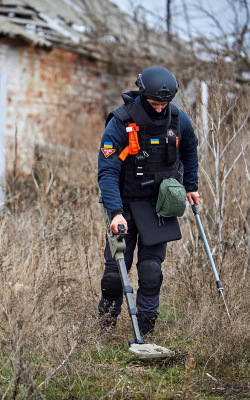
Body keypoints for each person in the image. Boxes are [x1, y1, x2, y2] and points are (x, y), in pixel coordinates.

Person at [97, 66, 199, 337]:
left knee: (151, 270)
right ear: (143, 95)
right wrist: (115, 212)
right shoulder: (120, 122)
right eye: (154, 104)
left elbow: (190, 148)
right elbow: (107, 171)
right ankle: (105, 325)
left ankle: (146, 327)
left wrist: (192, 185)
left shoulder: (178, 119)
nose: (159, 109)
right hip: (125, 207)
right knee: (114, 274)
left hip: (159, 206)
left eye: (164, 104)